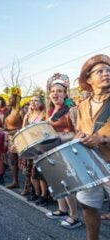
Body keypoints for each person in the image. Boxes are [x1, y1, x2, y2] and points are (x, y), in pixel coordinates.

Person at [75, 54, 110, 240]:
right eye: (100, 71)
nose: (106, 74)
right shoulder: (82, 106)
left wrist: (101, 138)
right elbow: (80, 130)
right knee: (88, 206)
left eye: (108, 70)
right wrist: (79, 136)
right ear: (88, 79)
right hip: (89, 165)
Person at [43, 73, 81, 227]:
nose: (55, 93)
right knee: (57, 181)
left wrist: (58, 137)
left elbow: (79, 132)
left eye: (59, 91)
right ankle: (62, 209)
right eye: (52, 91)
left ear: (65, 93)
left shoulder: (71, 109)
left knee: (68, 184)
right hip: (54, 151)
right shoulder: (52, 111)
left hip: (68, 152)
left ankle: (74, 216)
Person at [21, 95, 46, 199]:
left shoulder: (44, 114)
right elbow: (23, 129)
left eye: (36, 100)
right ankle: (36, 193)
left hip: (40, 147)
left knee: (40, 174)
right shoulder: (27, 115)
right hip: (29, 147)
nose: (33, 102)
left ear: (41, 103)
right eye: (31, 101)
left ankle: (44, 196)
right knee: (31, 173)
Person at [4, 87, 23, 188]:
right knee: (13, 162)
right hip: (11, 140)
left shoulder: (21, 111)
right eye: (9, 98)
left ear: (17, 99)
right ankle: (15, 182)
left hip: (20, 139)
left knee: (23, 163)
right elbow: (6, 127)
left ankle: (29, 186)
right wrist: (6, 138)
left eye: (11, 98)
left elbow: (25, 127)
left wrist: (12, 131)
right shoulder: (8, 112)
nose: (9, 100)